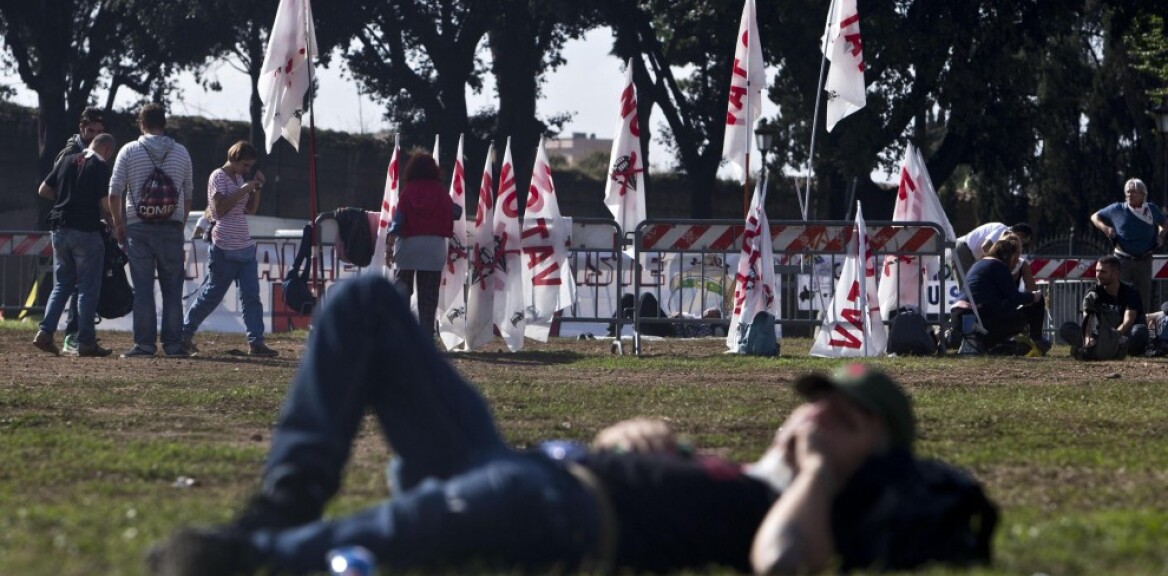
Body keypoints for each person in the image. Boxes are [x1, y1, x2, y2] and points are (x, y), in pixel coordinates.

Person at [147, 276, 997, 576]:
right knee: (364, 301)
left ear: (865, 443)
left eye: (838, 415)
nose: (810, 415)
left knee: (423, 522)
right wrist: (614, 444)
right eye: (815, 399)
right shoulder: (741, 473)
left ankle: (256, 560)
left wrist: (820, 469)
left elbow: (779, 565)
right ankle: (288, 505)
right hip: (531, 468)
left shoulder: (819, 513)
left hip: (557, 512)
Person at [108, 103, 195, 358]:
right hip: (172, 227)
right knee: (172, 289)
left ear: (141, 123)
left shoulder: (129, 151)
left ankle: (145, 345)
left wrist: (118, 224)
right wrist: (179, 221)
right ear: (164, 123)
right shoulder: (181, 153)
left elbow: (114, 192)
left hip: (138, 227)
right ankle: (173, 345)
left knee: (144, 289)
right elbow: (188, 194)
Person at [180, 141, 277, 357]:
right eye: (244, 164)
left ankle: (256, 342)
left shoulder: (240, 178)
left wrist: (256, 189)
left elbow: (250, 209)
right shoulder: (218, 176)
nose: (247, 169)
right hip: (223, 246)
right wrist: (243, 189)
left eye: (249, 166)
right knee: (212, 295)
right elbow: (218, 209)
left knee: (251, 296)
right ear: (233, 158)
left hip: (244, 245)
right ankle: (184, 334)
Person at [32, 133, 117, 358]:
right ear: (107, 151)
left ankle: (44, 332)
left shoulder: (67, 160)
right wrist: (115, 218)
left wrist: (66, 198)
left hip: (59, 229)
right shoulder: (99, 165)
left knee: (62, 285)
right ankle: (86, 342)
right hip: (86, 231)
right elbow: (104, 204)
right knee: (87, 289)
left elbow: (44, 190)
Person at [51, 107, 107, 354]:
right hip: (78, 225)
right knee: (79, 286)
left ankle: (58, 332)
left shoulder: (89, 154)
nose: (93, 135)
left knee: (71, 285)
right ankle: (75, 335)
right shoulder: (71, 153)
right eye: (90, 130)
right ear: (81, 127)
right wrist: (72, 203)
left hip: (68, 226)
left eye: (98, 131)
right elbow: (51, 186)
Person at [387, 152, 458, 335]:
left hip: (408, 248)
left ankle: (400, 335)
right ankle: (426, 338)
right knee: (428, 298)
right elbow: (455, 213)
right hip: (433, 249)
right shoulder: (440, 191)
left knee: (402, 294)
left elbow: (398, 222)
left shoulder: (408, 190)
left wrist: (389, 245)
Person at [950, 236, 1046, 353]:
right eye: (1016, 260)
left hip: (959, 315)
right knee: (1037, 301)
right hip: (978, 317)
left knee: (1005, 308)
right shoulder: (999, 266)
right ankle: (1037, 341)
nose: (1016, 264)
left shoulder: (979, 264)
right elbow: (1015, 298)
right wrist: (1034, 296)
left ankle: (979, 343)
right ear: (1009, 256)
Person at [1091, 178, 1168, 313]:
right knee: (1119, 296)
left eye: (1133, 192)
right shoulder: (1117, 209)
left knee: (1143, 300)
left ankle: (1142, 330)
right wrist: (1106, 229)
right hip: (1122, 261)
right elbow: (1095, 217)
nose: (1129, 195)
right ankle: (1119, 330)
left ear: (1143, 194)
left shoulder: (1151, 210)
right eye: (1127, 192)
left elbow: (1165, 224)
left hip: (1144, 260)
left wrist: (1161, 236)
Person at [1058, 255, 1148, 360]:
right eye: (1097, 271)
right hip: (1101, 336)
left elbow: (1128, 321)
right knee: (1066, 328)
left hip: (1123, 335)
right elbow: (1087, 319)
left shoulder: (1130, 292)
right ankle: (1096, 348)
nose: (1098, 275)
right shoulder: (1093, 292)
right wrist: (1087, 338)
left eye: (1103, 272)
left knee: (1139, 331)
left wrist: (1114, 338)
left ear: (1115, 273)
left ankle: (1098, 350)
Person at [953, 221, 1032, 282]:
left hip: (970, 254)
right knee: (966, 288)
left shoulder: (1006, 237)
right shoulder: (1002, 229)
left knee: (972, 285)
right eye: (1022, 241)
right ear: (1020, 235)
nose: (1020, 244)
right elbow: (985, 246)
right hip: (964, 250)